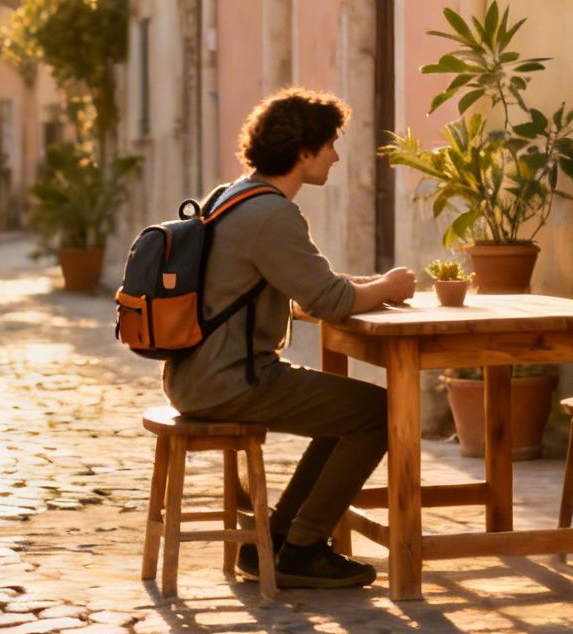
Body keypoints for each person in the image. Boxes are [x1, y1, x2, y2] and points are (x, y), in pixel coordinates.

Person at [163, 88, 416, 589]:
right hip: (231, 380)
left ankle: (277, 540)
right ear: (304, 152)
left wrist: (363, 285)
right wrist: (387, 287)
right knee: (381, 414)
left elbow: (310, 285)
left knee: (343, 408)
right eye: (330, 145)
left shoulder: (232, 195)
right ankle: (302, 547)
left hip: (195, 374)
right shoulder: (272, 215)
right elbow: (331, 302)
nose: (336, 156)